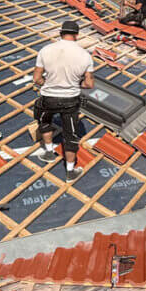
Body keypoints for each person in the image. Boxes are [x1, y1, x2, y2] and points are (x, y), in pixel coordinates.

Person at [32, 18, 94, 182]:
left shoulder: (45, 50)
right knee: (70, 135)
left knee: (44, 121)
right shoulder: (85, 55)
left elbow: (37, 78)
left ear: (60, 34)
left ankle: (48, 152)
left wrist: (49, 84)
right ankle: (70, 171)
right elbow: (89, 84)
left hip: (48, 98)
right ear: (77, 35)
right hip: (70, 100)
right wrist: (74, 83)